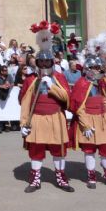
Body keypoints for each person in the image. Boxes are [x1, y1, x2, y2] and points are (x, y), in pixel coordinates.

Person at [69, 27, 106, 190]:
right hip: (89, 120)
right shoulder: (82, 84)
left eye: (99, 68)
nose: (98, 71)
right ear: (88, 69)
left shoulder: (101, 83)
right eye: (95, 68)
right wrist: (85, 125)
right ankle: (91, 176)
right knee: (89, 150)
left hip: (103, 120)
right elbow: (78, 107)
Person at [19, 21, 73, 193]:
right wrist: (23, 124)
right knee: (37, 150)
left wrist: (52, 86)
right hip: (36, 119)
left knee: (58, 150)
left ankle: (61, 177)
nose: (43, 66)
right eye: (40, 64)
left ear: (51, 63)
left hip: (56, 117)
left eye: (46, 63)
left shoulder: (59, 77)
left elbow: (67, 99)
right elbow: (24, 102)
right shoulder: (30, 79)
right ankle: (35, 179)